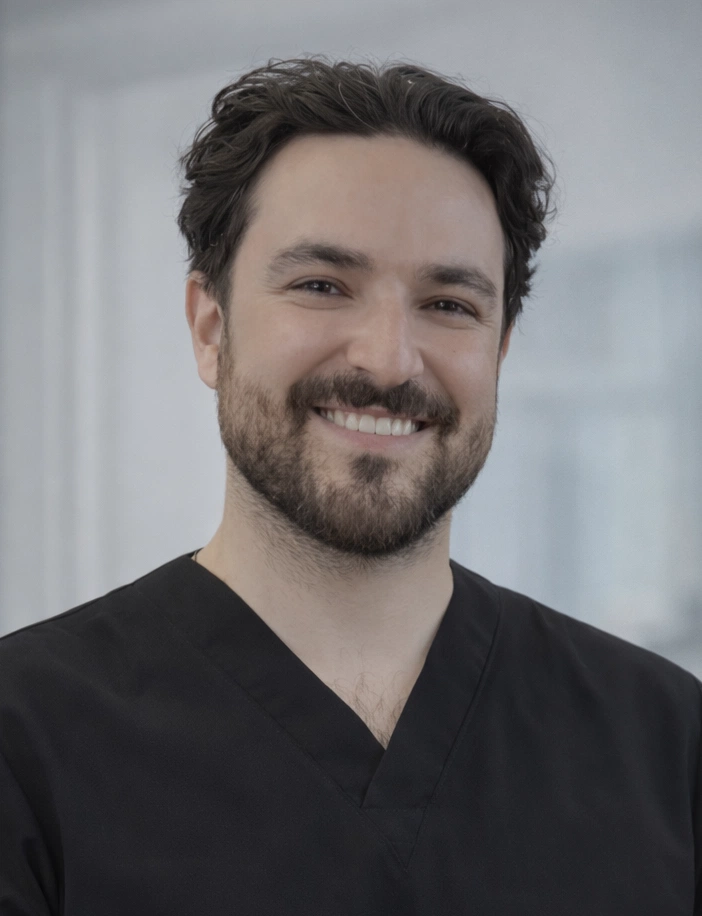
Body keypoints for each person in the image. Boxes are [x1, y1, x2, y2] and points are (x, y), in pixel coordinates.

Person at [0, 55, 700, 915]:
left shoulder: (667, 743)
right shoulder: (25, 740)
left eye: (449, 304)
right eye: (323, 286)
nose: (389, 359)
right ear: (211, 329)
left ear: (499, 352)